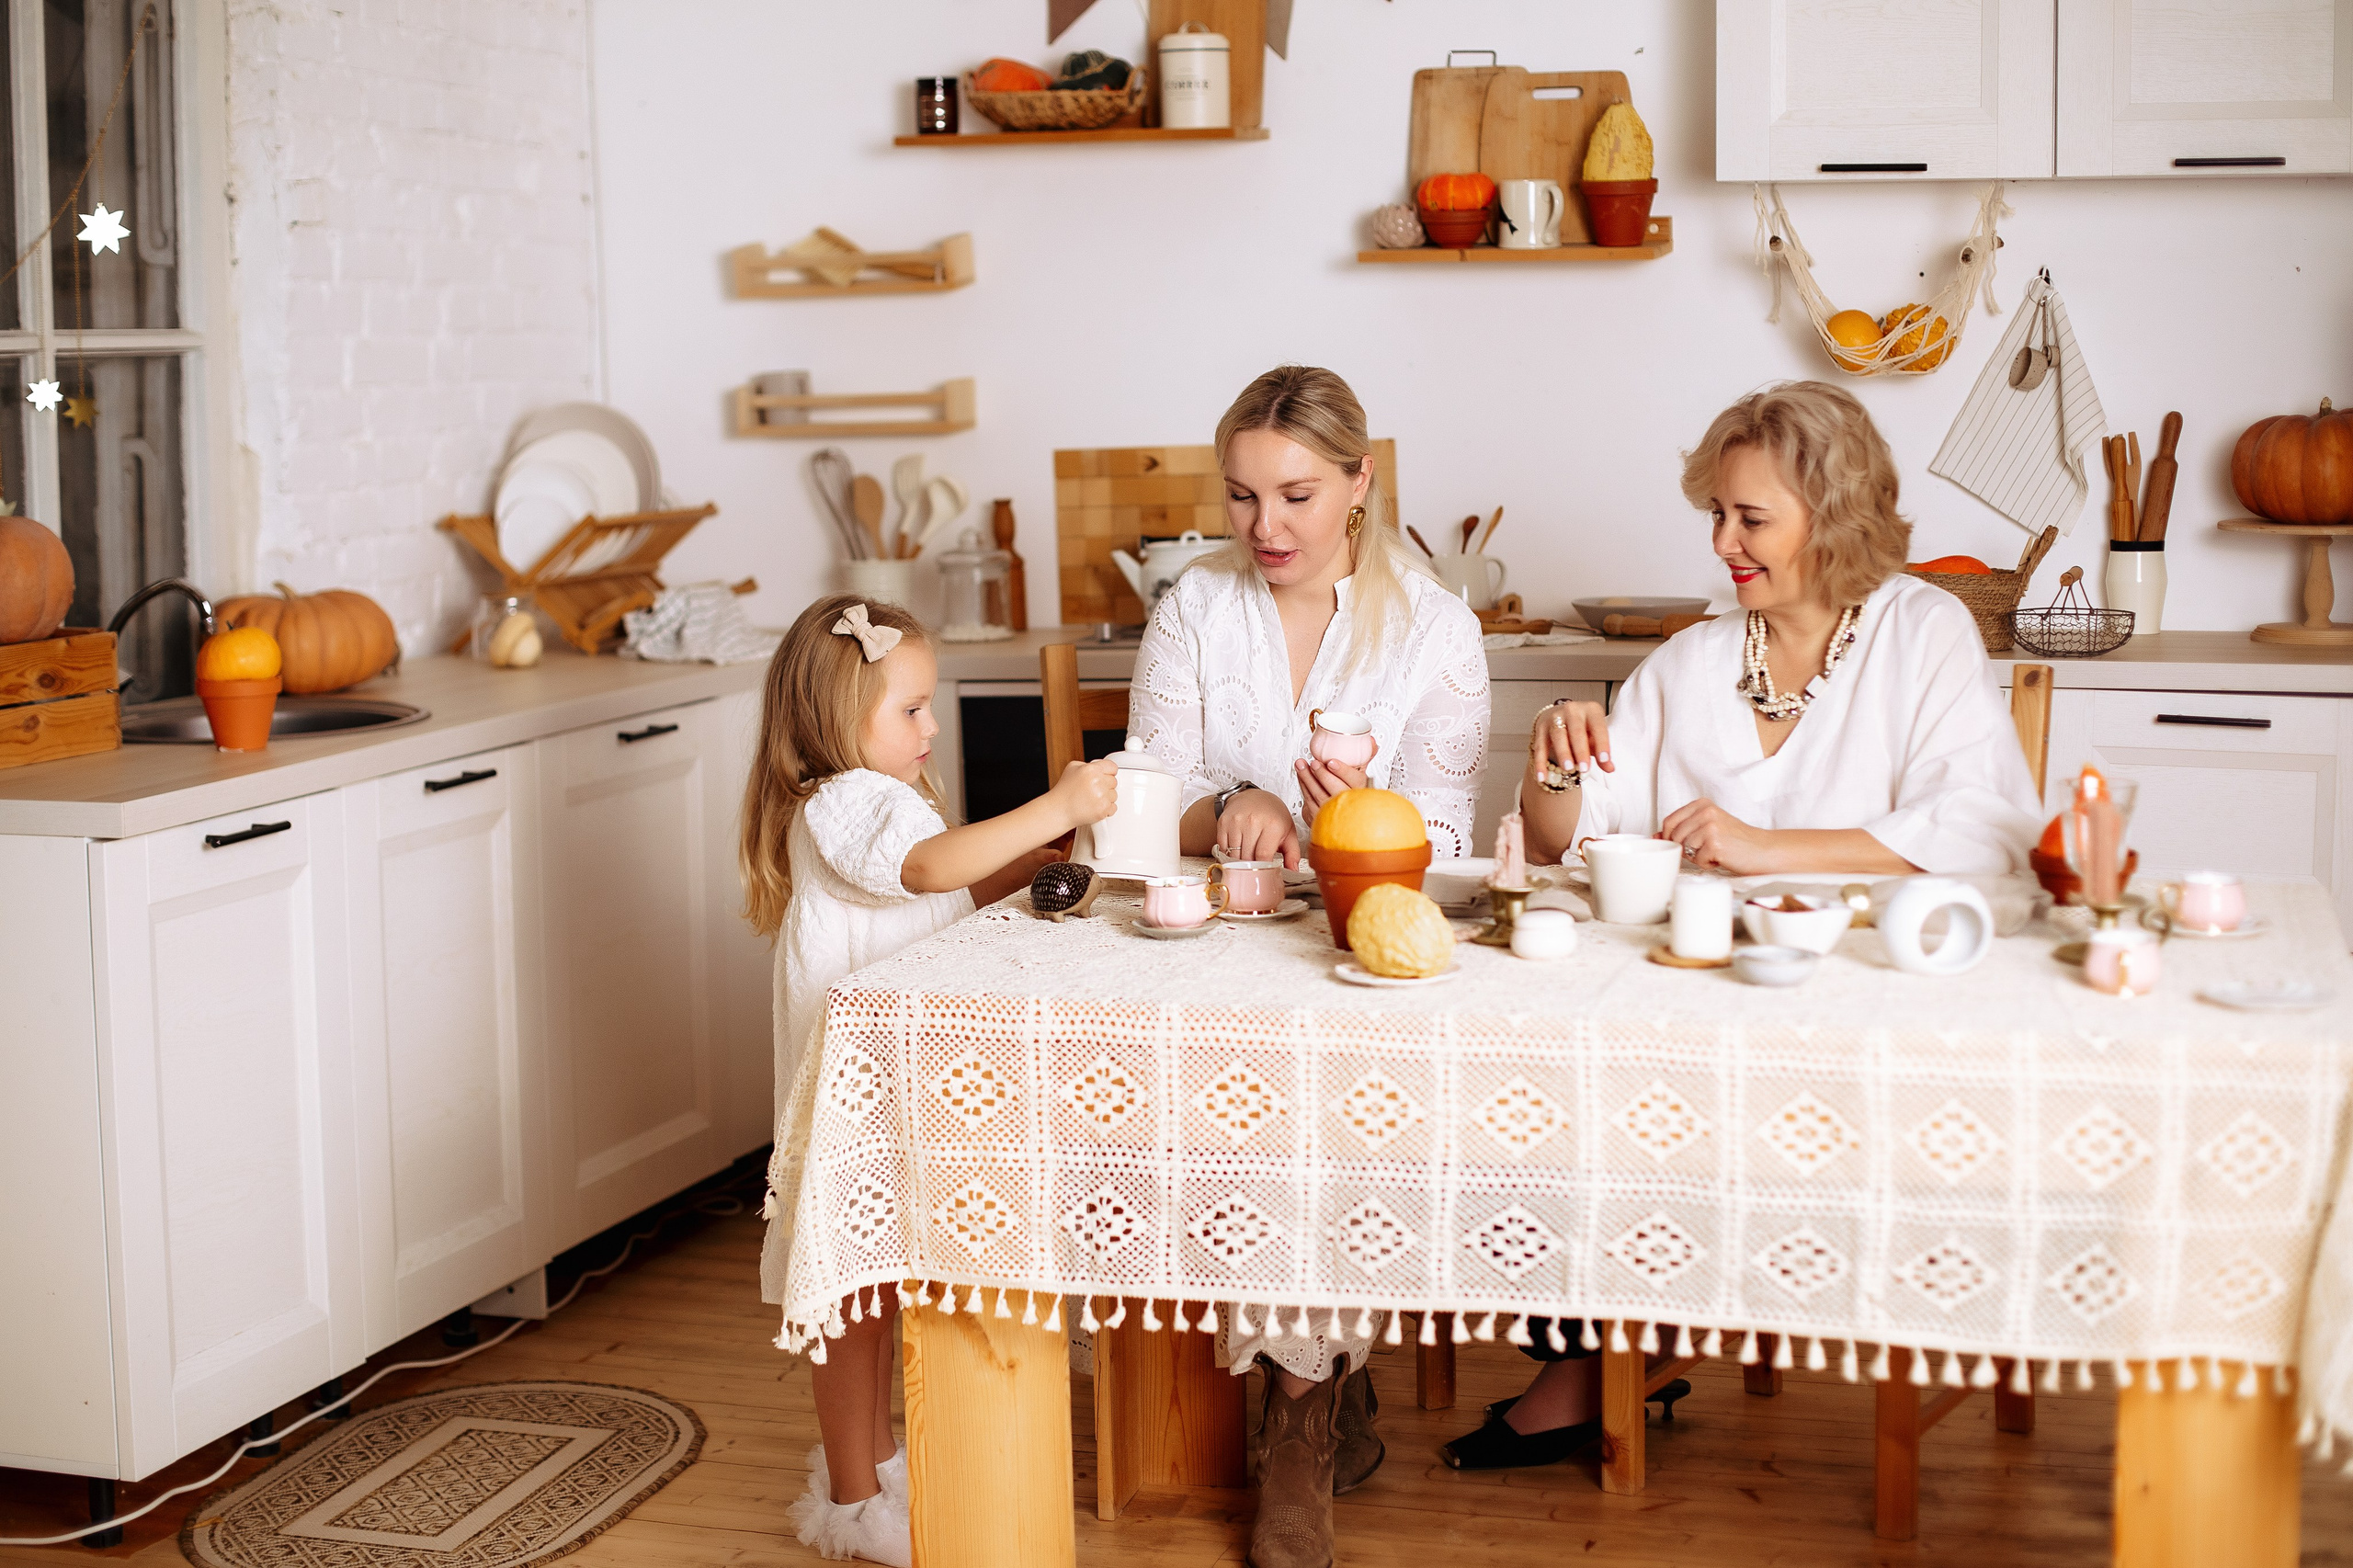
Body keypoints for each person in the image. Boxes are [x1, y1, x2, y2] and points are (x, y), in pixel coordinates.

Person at [1446, 380, 2040, 1471]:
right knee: (1550, 1068)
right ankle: (1614, 1340)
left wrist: (1772, 846)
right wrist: (1556, 763)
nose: (1721, 541)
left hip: (1867, 1011)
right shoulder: (1690, 662)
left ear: (1835, 512)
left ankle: (1636, 1338)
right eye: (1715, 514)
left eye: (1749, 517)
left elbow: (1985, 827)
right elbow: (1578, 836)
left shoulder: (1922, 631)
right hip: (1702, 998)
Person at [1125, 365, 1490, 1568]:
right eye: (1239, 497)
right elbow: (1144, 803)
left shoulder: (1437, 627)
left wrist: (1362, 816)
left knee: (1319, 1105)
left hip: (1362, 955)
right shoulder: (1193, 606)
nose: (1264, 529)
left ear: (1361, 483)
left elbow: (1449, 845)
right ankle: (1322, 1381)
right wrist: (1229, 801)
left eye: (1295, 495)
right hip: (1215, 953)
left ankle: (1295, 1419)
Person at [742, 595, 1119, 1565]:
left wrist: (1039, 862)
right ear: (838, 716)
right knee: (855, 1295)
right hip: (855, 1093)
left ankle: (867, 1472)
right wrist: (1058, 806)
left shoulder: (869, 799)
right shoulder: (849, 800)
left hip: (886, 1086)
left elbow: (946, 878)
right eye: (910, 707)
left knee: (873, 1288)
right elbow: (921, 868)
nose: (931, 725)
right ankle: (855, 1492)